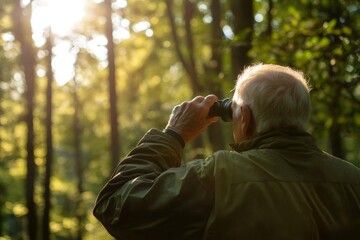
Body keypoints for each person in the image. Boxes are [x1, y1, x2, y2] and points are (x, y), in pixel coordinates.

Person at [93, 63, 360, 240]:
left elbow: (116, 204)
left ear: (244, 117)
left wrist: (173, 134)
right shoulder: (352, 180)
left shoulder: (222, 176)